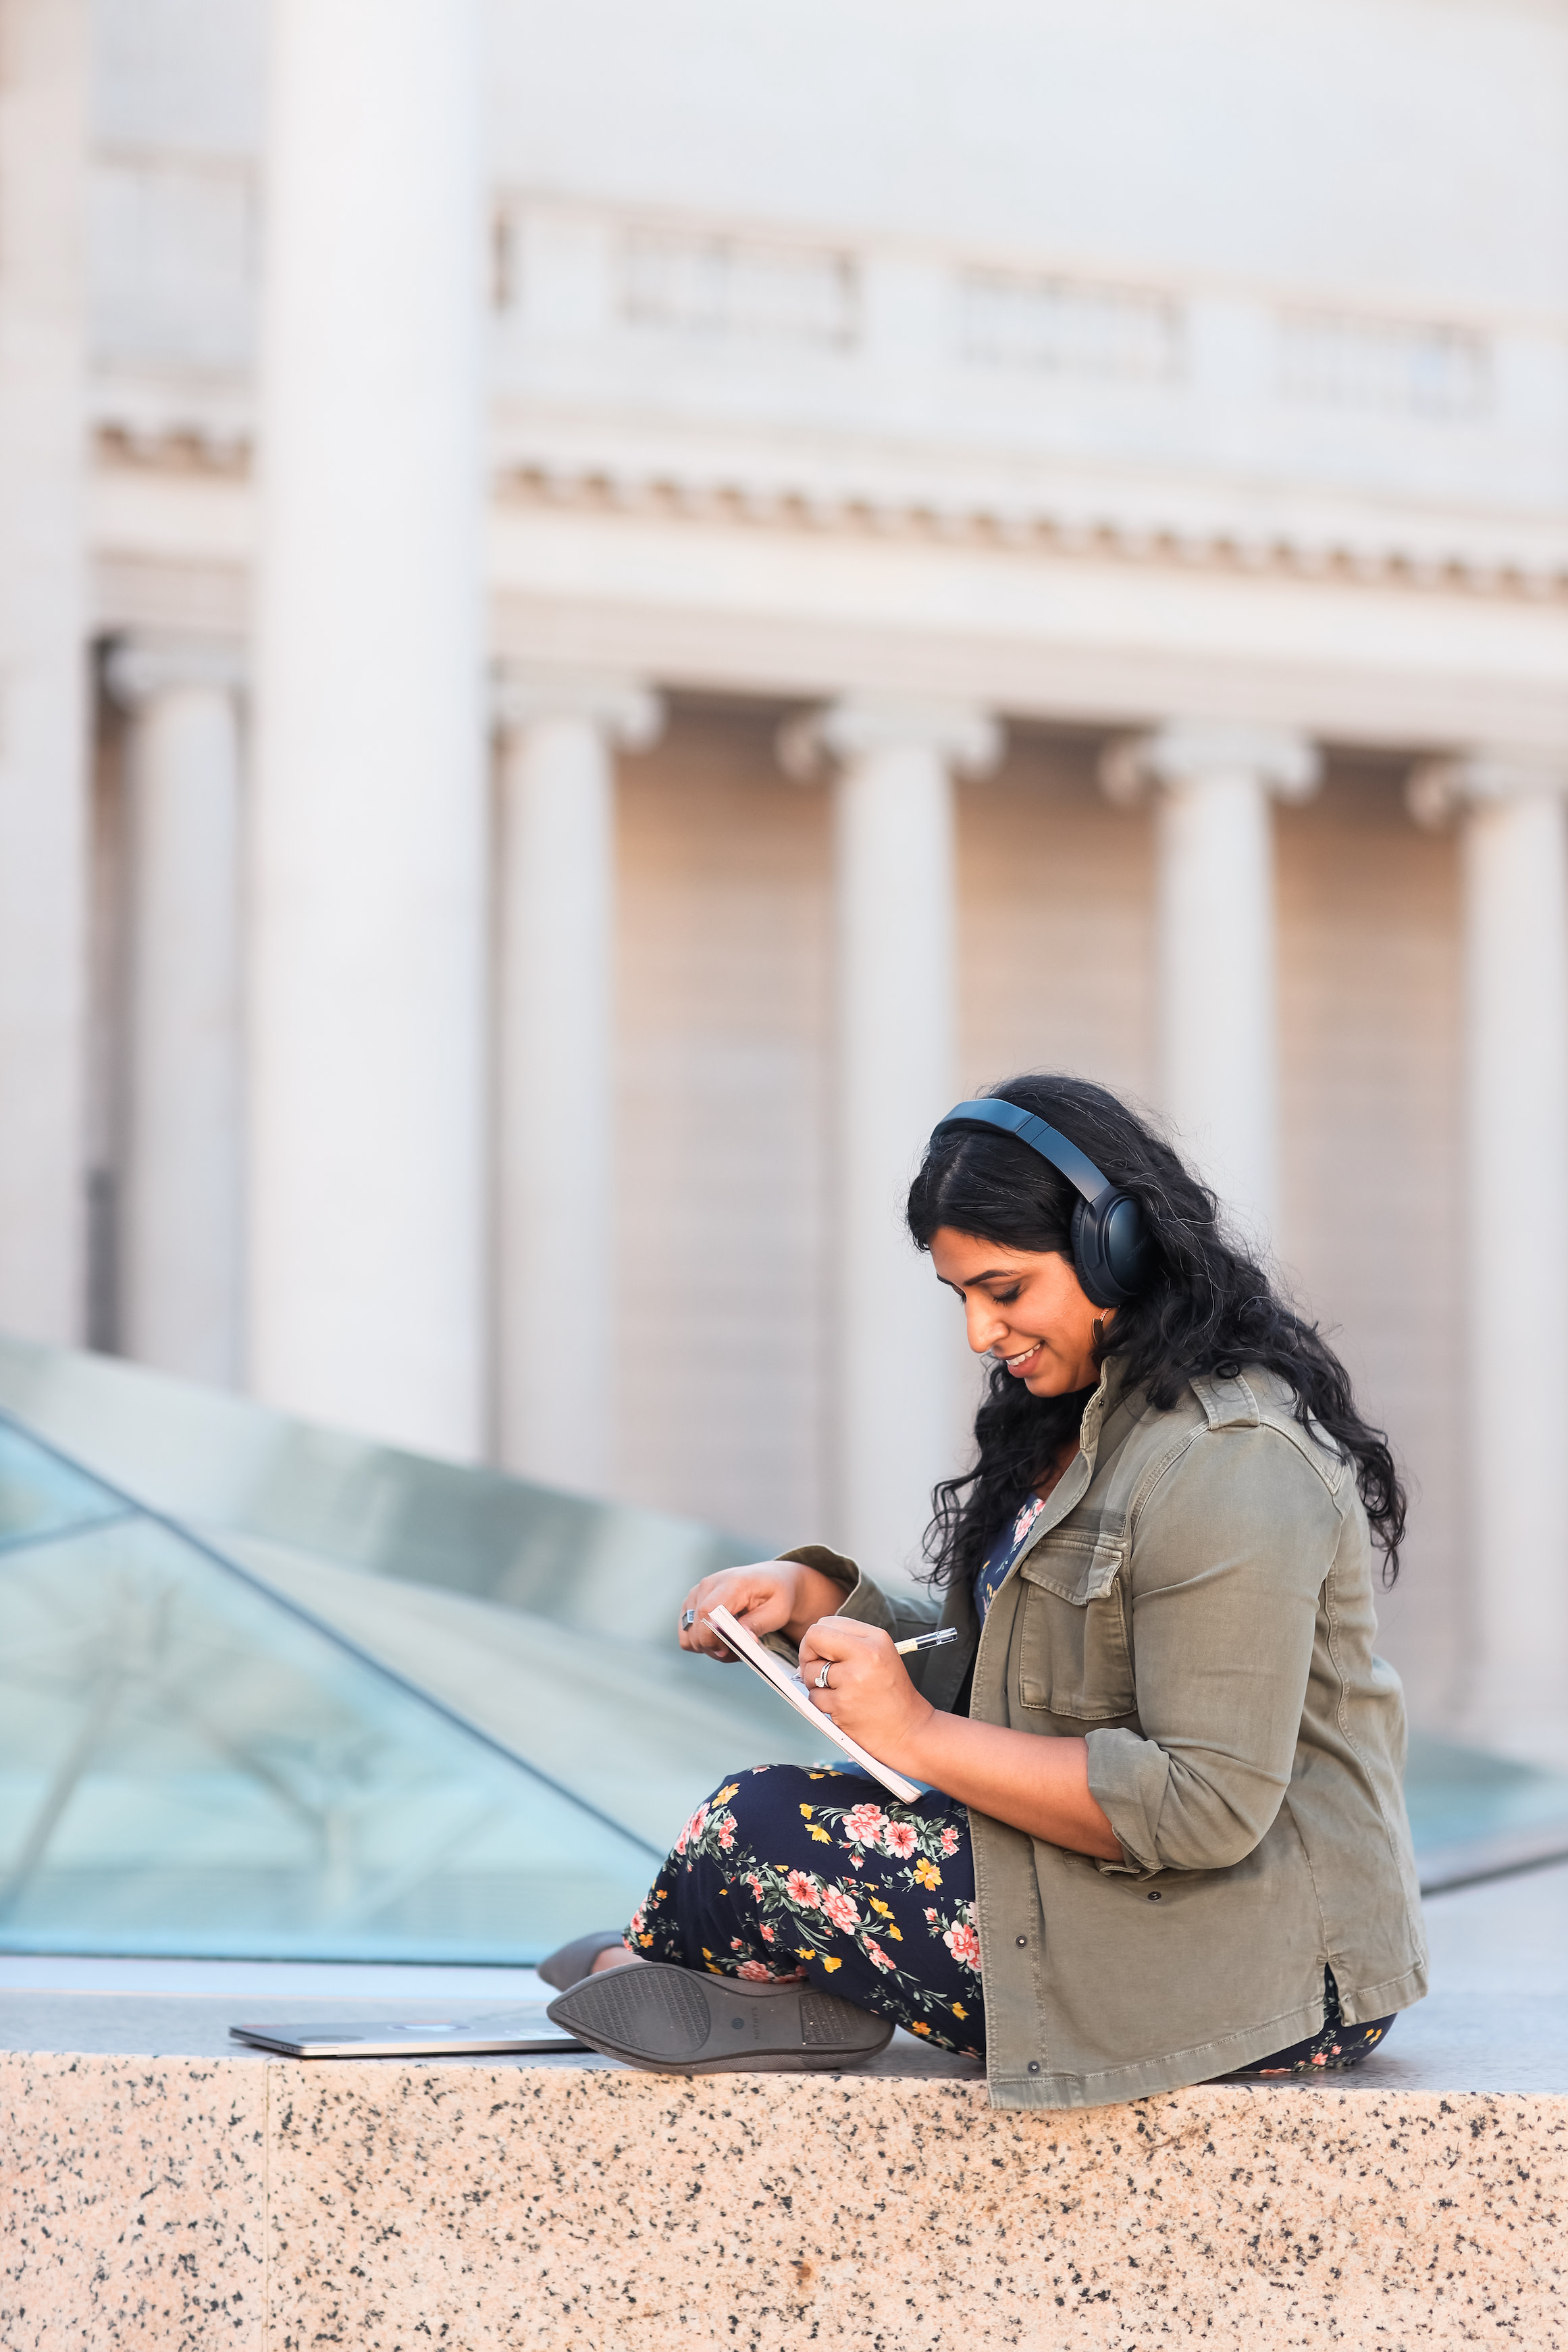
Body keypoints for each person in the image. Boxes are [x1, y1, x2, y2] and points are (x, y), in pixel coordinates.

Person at [543, 1074, 1427, 2109]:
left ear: (1117, 1249)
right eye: (960, 1296)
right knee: (758, 1818)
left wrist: (912, 1735)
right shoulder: (1092, 1421)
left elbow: (1202, 1809)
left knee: (756, 1830)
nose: (979, 1334)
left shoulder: (1228, 1460)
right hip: (1137, 1889)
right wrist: (820, 1599)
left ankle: (700, 1979)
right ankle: (731, 1986)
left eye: (1003, 1291)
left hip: (1260, 1957)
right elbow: (1021, 1665)